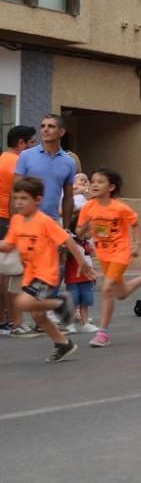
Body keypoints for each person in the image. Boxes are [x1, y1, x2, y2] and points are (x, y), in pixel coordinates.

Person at [1, 177, 93, 362]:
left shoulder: (44, 222)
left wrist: (82, 262)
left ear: (37, 200)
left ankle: (60, 304)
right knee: (37, 315)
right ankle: (63, 344)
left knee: (22, 303)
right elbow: (9, 245)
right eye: (16, 198)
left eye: (24, 198)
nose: (18, 202)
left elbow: (66, 240)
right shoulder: (17, 220)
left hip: (46, 274)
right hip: (30, 275)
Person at [79, 168, 141, 348]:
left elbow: (134, 223)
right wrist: (85, 227)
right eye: (93, 181)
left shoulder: (119, 208)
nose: (94, 184)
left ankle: (103, 333)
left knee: (107, 288)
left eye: (100, 181)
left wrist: (136, 244)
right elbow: (80, 232)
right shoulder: (88, 207)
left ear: (111, 187)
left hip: (120, 251)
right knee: (121, 293)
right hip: (103, 253)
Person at [1, 125, 36, 336]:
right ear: (21, 143)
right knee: (11, 272)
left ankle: (4, 318)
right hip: (8, 219)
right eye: (32, 143)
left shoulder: (1, 158)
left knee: (3, 270)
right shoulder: (17, 162)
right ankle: (15, 321)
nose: (34, 147)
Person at [13, 114, 77, 226]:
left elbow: (68, 198)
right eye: (42, 126)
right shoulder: (25, 156)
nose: (45, 129)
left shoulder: (69, 162)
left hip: (51, 223)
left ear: (61, 132)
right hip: (26, 221)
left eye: (51, 126)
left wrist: (67, 228)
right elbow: (15, 191)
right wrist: (13, 222)